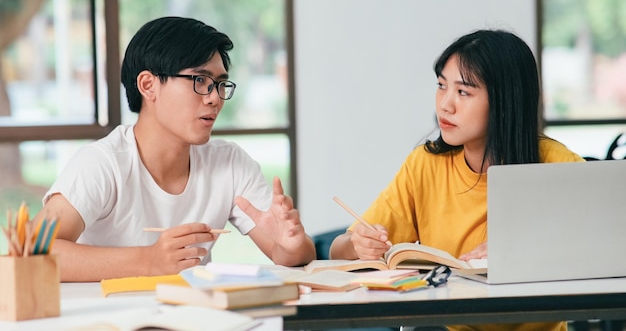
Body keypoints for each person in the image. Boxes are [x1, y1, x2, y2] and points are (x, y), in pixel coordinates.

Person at [329, 29, 584, 331]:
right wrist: (358, 244)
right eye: (441, 86)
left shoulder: (554, 164)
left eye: (463, 92)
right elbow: (337, 250)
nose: (445, 105)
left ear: (505, 100)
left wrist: (524, 249)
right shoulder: (425, 165)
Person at [37, 16, 316, 282]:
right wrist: (149, 260)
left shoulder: (229, 163)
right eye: (200, 81)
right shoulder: (102, 163)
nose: (215, 98)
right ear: (148, 85)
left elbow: (293, 256)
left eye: (220, 84)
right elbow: (35, 253)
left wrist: (290, 244)